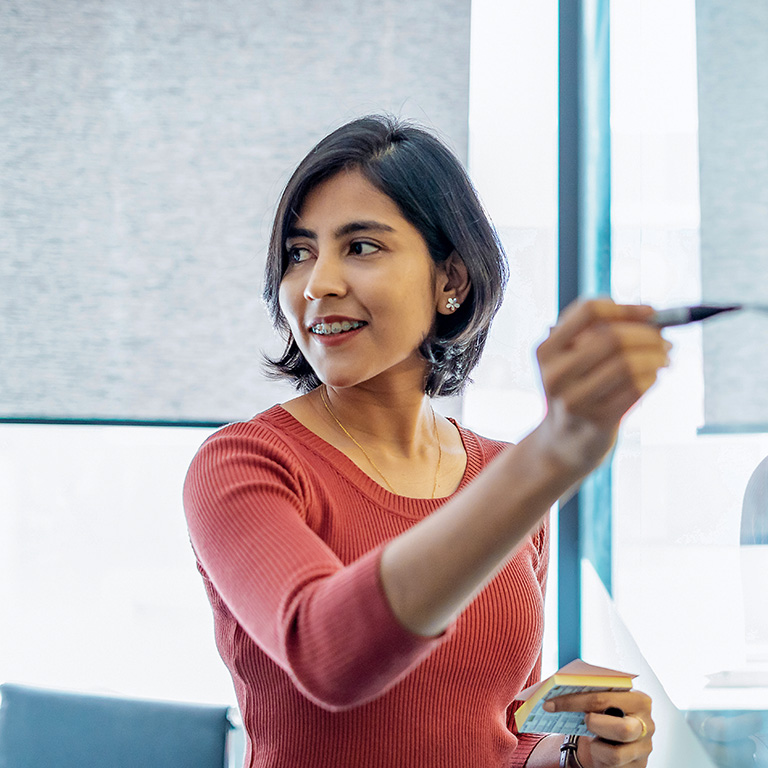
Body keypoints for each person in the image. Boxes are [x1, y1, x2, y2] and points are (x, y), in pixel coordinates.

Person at [183, 115, 666, 768]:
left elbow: (505, 734)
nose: (319, 283)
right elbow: (327, 651)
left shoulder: (499, 473)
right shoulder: (244, 465)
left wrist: (581, 751)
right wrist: (549, 455)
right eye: (300, 252)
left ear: (451, 281)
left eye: (360, 247)